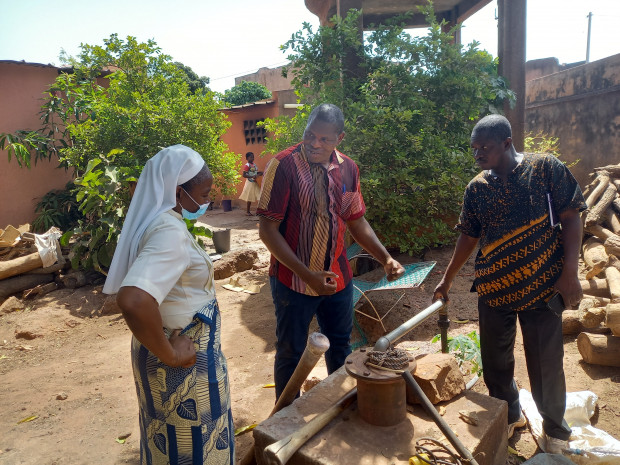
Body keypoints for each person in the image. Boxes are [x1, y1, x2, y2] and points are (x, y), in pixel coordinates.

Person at [432, 115, 586, 454]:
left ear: (506, 142)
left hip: (543, 287)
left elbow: (572, 215)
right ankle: (509, 414)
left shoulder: (544, 169)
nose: (478, 155)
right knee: (496, 362)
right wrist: (447, 278)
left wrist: (570, 273)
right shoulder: (477, 188)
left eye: (484, 147)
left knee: (545, 363)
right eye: (474, 149)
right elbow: (469, 236)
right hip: (493, 289)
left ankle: (556, 432)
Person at [257, 103, 405, 400]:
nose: (314, 143)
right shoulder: (283, 165)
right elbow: (267, 230)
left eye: (325, 139)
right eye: (310, 134)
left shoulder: (349, 169)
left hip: (338, 278)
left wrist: (385, 257)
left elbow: (356, 220)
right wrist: (307, 275)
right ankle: (285, 415)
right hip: (293, 280)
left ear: (340, 138)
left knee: (340, 345)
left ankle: (338, 404)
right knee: (291, 349)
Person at [103, 145, 234, 465]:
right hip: (182, 368)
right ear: (178, 192)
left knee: (166, 445)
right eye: (203, 193)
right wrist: (171, 353)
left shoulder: (156, 222)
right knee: (193, 447)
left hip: (164, 355)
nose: (207, 200)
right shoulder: (169, 233)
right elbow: (133, 299)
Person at [239, 151, 262, 216]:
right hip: (249, 183)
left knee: (259, 196)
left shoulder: (254, 165)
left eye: (253, 157)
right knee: (249, 197)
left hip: (255, 182)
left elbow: (255, 173)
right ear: (247, 158)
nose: (252, 158)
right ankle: (248, 212)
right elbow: (244, 175)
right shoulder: (247, 165)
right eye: (251, 157)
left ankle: (260, 211)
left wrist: (259, 173)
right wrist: (252, 176)